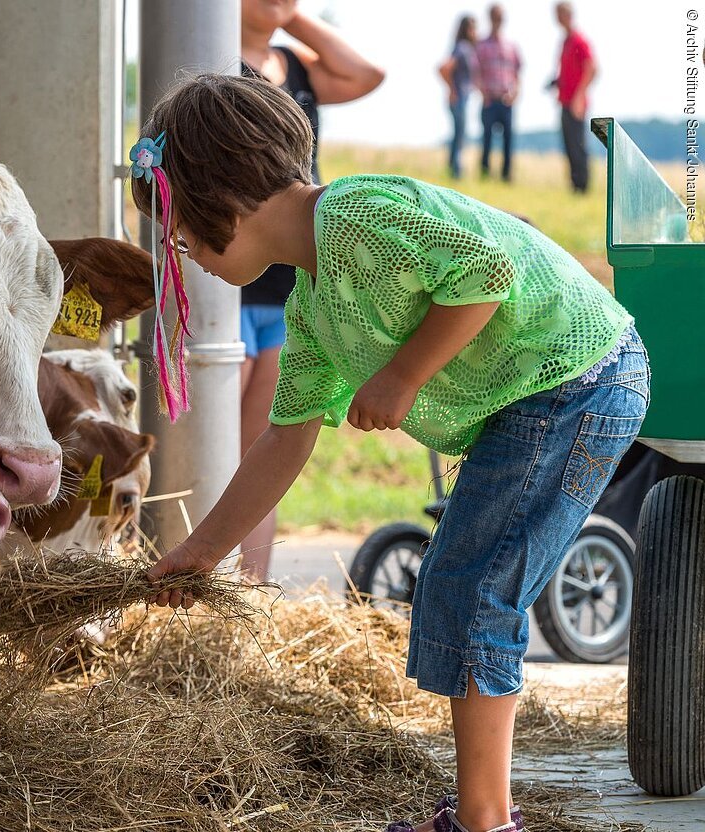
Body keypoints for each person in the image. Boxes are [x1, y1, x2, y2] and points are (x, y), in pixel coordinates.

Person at [132, 73, 647, 832]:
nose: (184, 252)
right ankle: (480, 811)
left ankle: (486, 821)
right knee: (454, 586)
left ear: (223, 203)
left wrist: (404, 374)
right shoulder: (310, 305)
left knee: (474, 591)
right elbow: (286, 437)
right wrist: (204, 550)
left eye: (182, 234)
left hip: (576, 379)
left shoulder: (354, 216)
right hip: (539, 397)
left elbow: (485, 274)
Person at [238, 0, 384, 581]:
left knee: (259, 449)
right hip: (228, 279)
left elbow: (366, 74)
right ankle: (192, 583)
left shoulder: (295, 68)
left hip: (289, 282)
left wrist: (287, 17)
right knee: (207, 445)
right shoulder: (213, 60)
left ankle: (247, 593)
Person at [552, 2, 597, 193]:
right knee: (568, 144)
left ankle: (583, 186)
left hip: (576, 102)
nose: (558, 19)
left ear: (568, 15)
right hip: (564, 100)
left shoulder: (579, 40)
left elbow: (592, 68)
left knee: (578, 145)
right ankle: (574, 184)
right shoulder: (565, 42)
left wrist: (579, 96)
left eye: (560, 14)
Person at [475, 5, 522, 182]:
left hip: (506, 101)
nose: (497, 21)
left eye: (500, 18)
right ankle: (485, 172)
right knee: (486, 138)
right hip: (489, 100)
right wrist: (482, 92)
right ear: (490, 19)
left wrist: (516, 93)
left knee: (508, 140)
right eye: (495, 17)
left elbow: (518, 73)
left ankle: (506, 175)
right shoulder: (482, 45)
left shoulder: (511, 46)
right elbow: (476, 72)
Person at [439, 16, 479, 179]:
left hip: (463, 97)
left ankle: (453, 169)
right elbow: (443, 68)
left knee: (458, 135)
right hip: (459, 98)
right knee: (460, 135)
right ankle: (456, 171)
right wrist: (453, 89)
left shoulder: (464, 48)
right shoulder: (462, 48)